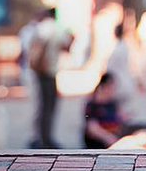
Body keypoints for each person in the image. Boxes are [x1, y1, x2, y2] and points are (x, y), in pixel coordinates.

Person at [27, 8, 73, 148]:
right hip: (49, 72)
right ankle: (45, 139)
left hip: (39, 71)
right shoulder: (56, 29)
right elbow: (67, 45)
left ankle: (39, 137)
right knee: (49, 107)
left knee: (41, 106)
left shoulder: (39, 27)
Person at [83, 73, 127, 149]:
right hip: (99, 145)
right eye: (111, 88)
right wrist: (112, 140)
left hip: (115, 141)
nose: (113, 91)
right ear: (103, 87)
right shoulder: (93, 105)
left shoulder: (112, 103)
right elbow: (93, 129)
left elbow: (120, 117)